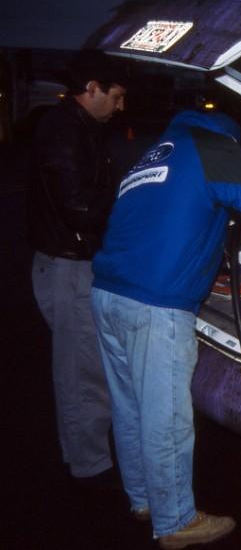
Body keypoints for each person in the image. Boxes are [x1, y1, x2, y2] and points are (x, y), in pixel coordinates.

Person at [90, 109, 241, 548]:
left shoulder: (157, 152)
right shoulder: (213, 147)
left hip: (108, 292)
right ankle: (176, 522)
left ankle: (145, 499)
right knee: (166, 417)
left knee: (131, 409)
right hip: (155, 304)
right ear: (231, 131)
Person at [26, 48, 127, 485]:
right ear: (92, 89)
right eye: (116, 96)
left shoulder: (74, 126)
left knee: (83, 367)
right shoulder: (66, 132)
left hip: (66, 262)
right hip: (67, 267)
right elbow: (79, 206)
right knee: (82, 373)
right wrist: (127, 216)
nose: (120, 107)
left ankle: (84, 458)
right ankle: (90, 468)